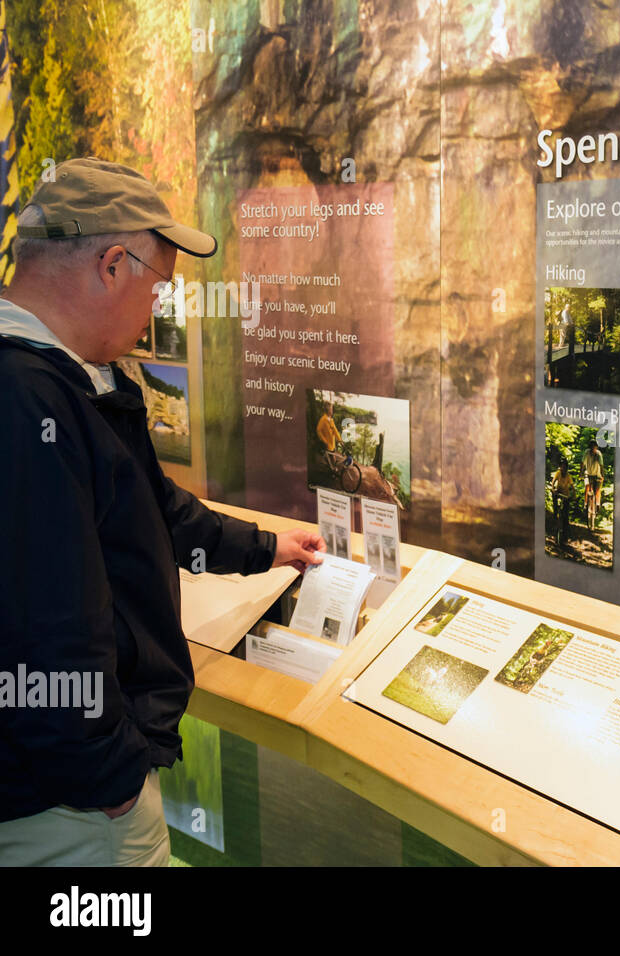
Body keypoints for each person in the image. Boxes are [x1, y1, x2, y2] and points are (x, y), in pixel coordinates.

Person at [0, 158, 324, 866]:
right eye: (158, 287)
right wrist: (107, 776)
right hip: (68, 807)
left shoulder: (73, 378)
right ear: (112, 264)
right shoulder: (27, 399)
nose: (158, 308)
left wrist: (264, 547)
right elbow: (44, 622)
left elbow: (151, 507)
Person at [581, 439, 604, 520]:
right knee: (587, 487)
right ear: (590, 447)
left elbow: (601, 465)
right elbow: (582, 463)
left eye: (594, 447)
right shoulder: (586, 452)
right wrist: (580, 473)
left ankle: (597, 504)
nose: (593, 449)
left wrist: (602, 476)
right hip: (588, 473)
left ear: (596, 447)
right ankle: (585, 504)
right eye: (591, 447)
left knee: (597, 490)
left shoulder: (599, 454)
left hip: (597, 474)